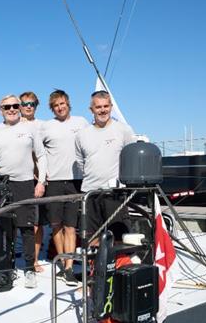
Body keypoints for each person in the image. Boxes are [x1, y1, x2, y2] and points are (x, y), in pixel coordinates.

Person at [0, 95, 47, 290]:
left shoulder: (30, 129)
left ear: (19, 108)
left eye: (15, 106)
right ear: (0, 109)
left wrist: (41, 181)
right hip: (2, 183)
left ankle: (29, 268)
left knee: (26, 227)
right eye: (7, 106)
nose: (11, 109)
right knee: (3, 227)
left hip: (25, 183)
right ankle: (6, 266)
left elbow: (41, 155)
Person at [40, 89, 89, 286]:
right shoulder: (46, 127)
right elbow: (37, 152)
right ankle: (62, 260)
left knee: (71, 226)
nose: (60, 107)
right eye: (56, 105)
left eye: (62, 104)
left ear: (68, 104)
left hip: (76, 181)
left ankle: (68, 267)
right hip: (55, 181)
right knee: (56, 225)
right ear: (52, 108)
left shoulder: (81, 123)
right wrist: (40, 174)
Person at [76, 90, 136, 244]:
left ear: (111, 106)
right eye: (98, 107)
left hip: (114, 193)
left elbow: (131, 158)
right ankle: (95, 268)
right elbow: (80, 161)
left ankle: (118, 267)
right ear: (91, 110)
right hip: (90, 192)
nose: (102, 110)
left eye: (106, 106)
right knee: (91, 238)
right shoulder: (82, 135)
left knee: (118, 237)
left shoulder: (124, 130)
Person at [19, 91, 46, 273]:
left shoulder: (43, 126)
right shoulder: (12, 124)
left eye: (32, 104)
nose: (28, 106)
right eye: (25, 103)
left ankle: (34, 260)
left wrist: (42, 177)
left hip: (38, 180)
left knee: (37, 223)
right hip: (19, 179)